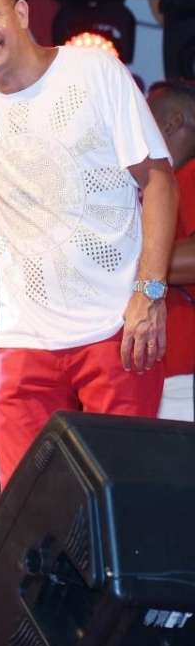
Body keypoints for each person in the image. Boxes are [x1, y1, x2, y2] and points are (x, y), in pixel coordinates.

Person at [0, 0, 177, 486]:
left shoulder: (93, 71)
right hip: (24, 340)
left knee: (123, 499)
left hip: (117, 328)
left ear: (21, 13)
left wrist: (149, 292)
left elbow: (158, 180)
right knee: (27, 509)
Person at [147, 80, 195, 421]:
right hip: (164, 383)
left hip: (182, 386)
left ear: (171, 123)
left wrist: (117, 259)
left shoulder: (189, 175)